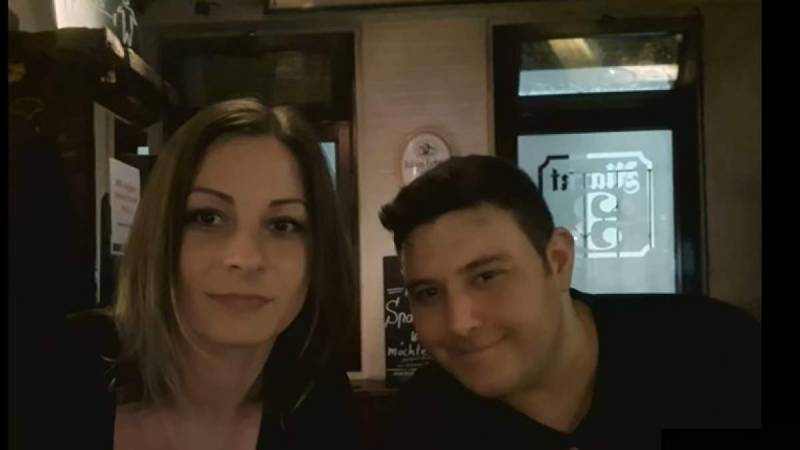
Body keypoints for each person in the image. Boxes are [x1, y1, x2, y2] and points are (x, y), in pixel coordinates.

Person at [378, 155, 760, 450]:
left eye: (487, 277)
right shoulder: (424, 422)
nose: (460, 323)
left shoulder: (715, 354)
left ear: (558, 261)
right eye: (428, 293)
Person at [60, 98, 360, 450]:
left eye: (283, 225)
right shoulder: (56, 370)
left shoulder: (322, 407)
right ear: (161, 235)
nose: (245, 258)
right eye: (208, 218)